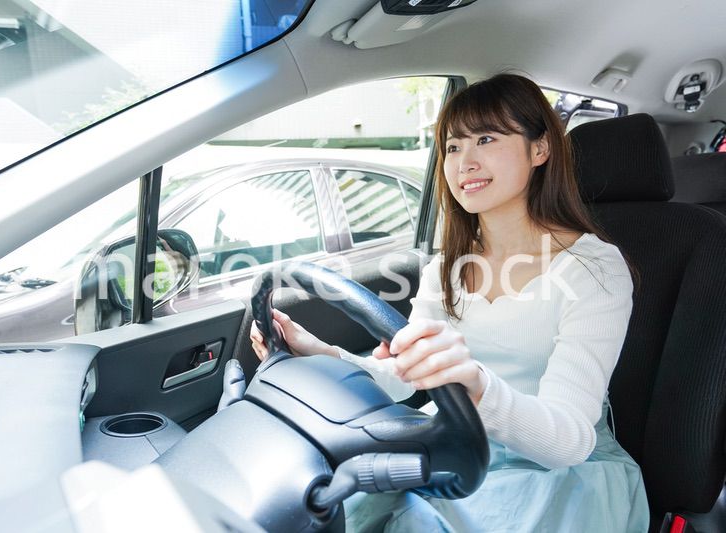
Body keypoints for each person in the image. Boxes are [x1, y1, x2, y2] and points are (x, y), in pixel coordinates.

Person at [249, 73, 650, 532]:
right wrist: (320, 353)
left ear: (540, 150)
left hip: (555, 474)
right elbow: (402, 380)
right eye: (453, 147)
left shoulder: (594, 268)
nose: (465, 163)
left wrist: (475, 384)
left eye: (486, 139)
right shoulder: (448, 266)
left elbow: (568, 441)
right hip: (454, 442)